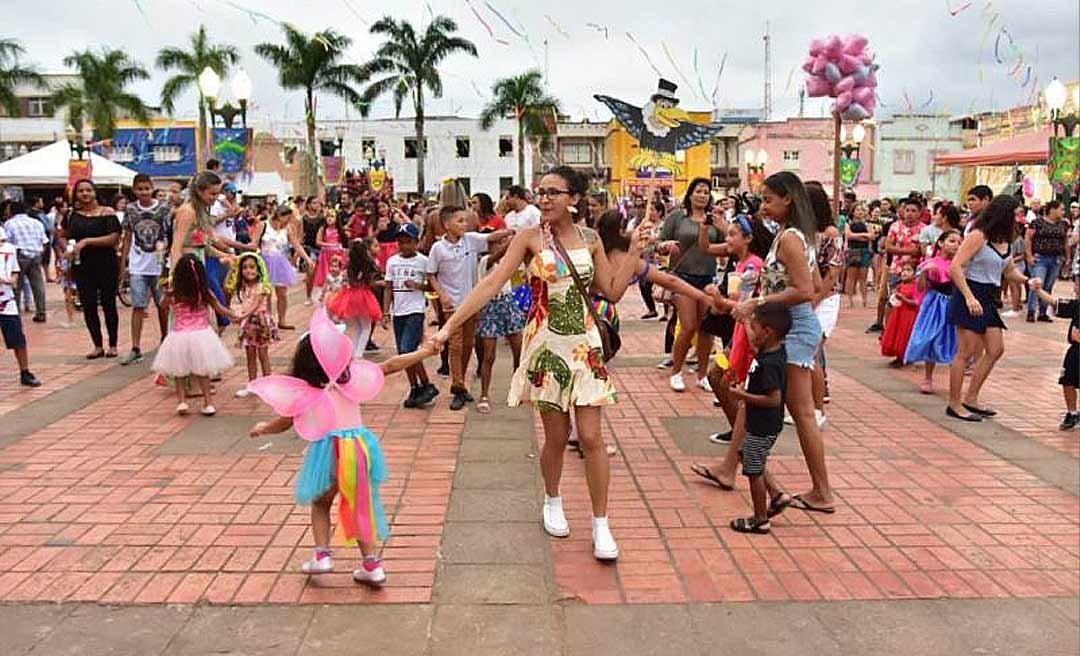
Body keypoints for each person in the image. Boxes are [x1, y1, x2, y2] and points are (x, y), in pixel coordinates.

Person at [430, 166, 643, 561]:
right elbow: (491, 284)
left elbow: (611, 291)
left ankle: (601, 524)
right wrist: (450, 328)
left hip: (584, 348)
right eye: (540, 192)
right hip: (546, 348)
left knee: (593, 438)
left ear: (574, 200)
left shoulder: (592, 239)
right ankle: (552, 498)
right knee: (558, 438)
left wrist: (635, 253)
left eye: (553, 192)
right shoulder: (528, 239)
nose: (544, 198)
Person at [248, 308, 435, 581]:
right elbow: (392, 365)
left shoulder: (305, 391)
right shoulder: (351, 380)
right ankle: (372, 565)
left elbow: (285, 421)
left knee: (321, 503)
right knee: (359, 505)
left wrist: (263, 429)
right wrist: (425, 352)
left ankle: (322, 556)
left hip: (326, 452)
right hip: (357, 449)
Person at [731, 171, 834, 514]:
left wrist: (761, 304)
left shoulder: (790, 238)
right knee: (781, 406)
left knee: (802, 412)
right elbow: (815, 284)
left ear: (787, 199)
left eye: (769, 200)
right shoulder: (798, 237)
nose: (764, 207)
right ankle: (737, 466)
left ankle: (822, 491)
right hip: (793, 325)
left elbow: (806, 290)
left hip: (795, 329)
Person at [947, 195, 1030, 422]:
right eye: (1016, 213)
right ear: (1004, 213)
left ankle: (971, 397)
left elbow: (1009, 270)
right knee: (965, 352)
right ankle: (954, 404)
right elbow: (955, 267)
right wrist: (969, 297)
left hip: (988, 297)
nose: (1019, 218)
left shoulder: (1006, 240)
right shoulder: (978, 236)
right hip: (970, 293)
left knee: (995, 349)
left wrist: (1027, 281)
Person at [426, 206, 511, 411]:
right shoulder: (438, 249)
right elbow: (431, 275)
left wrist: (512, 231)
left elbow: (492, 237)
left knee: (468, 344)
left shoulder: (471, 240)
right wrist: (442, 295)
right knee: (455, 345)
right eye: (460, 221)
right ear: (447, 225)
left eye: (465, 220)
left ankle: (460, 383)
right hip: (452, 305)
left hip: (472, 302)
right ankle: (457, 387)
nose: (465, 224)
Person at [726, 302, 793, 534]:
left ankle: (760, 518)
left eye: (754, 328)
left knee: (754, 471)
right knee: (747, 455)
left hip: (764, 424)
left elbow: (773, 399)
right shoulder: (770, 351)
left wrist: (741, 394)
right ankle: (776, 495)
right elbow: (753, 347)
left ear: (767, 332)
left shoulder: (770, 363)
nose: (751, 334)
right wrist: (745, 320)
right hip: (761, 423)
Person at [658, 178, 723, 392]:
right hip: (682, 277)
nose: (702, 195)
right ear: (690, 194)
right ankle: (676, 371)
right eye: (699, 191)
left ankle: (702, 374)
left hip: (708, 279)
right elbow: (659, 244)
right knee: (688, 326)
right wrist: (666, 246)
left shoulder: (713, 220)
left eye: (706, 192)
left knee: (707, 328)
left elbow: (728, 242)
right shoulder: (677, 217)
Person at [152, 254, 238, 415]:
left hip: (179, 335)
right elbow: (220, 309)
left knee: (179, 371)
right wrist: (236, 316)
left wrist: (166, 292)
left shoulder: (175, 293)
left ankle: (182, 401)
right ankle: (208, 402)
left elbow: (162, 306)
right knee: (202, 371)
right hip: (201, 335)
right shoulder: (204, 293)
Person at [63, 179, 122, 358]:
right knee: (88, 305)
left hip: (106, 264)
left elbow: (114, 238)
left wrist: (87, 242)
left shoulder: (107, 213)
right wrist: (68, 250)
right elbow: (62, 235)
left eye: (88, 190)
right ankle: (97, 345)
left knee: (108, 304)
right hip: (82, 266)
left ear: (95, 192)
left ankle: (113, 344)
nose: (85, 194)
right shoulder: (72, 215)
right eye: (81, 191)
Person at [384, 223, 439, 408]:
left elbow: (433, 286)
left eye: (408, 242)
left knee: (408, 350)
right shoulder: (392, 262)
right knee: (402, 353)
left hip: (415, 310)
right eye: (400, 242)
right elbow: (388, 287)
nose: (404, 246)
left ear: (416, 242)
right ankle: (414, 386)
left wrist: (418, 286)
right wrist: (385, 311)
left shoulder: (423, 261)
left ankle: (426, 384)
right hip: (398, 311)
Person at [119, 174, 171, 365]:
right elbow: (127, 236)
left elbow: (169, 234)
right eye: (140, 189)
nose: (144, 192)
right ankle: (135, 347)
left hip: (159, 264)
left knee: (163, 306)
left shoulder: (163, 208)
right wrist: (124, 263)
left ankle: (166, 340)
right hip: (138, 265)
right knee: (138, 306)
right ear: (134, 190)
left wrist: (168, 258)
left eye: (147, 188)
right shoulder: (131, 210)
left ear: (152, 188)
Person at [905, 230, 962, 394]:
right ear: (941, 243)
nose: (956, 245)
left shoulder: (961, 263)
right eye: (952, 241)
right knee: (931, 338)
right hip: (935, 303)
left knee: (956, 340)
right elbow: (921, 288)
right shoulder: (931, 262)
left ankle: (955, 381)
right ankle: (928, 378)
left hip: (954, 303)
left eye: (959, 242)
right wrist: (924, 272)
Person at [474, 237, 526, 414]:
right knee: (489, 355)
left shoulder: (508, 261)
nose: (498, 246)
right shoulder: (484, 262)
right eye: (495, 243)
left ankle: (515, 390)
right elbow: (497, 255)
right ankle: (484, 394)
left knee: (519, 351)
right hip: (490, 306)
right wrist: (514, 240)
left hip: (508, 303)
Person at [1027, 279, 1079, 430]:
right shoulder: (1076, 305)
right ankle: (1072, 412)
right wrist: (1038, 291)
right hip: (1075, 352)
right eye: (1076, 283)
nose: (1076, 287)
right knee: (1067, 381)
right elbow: (1056, 303)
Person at [252, 205, 312, 330]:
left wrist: (307, 258)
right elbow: (254, 242)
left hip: (281, 261)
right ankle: (267, 319)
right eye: (287, 218)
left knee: (282, 293)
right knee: (266, 293)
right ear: (279, 216)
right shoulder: (264, 225)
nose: (288, 221)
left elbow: (296, 245)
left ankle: (282, 319)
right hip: (265, 261)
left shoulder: (288, 229)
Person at [226, 253, 277, 397]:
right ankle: (252, 384)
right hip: (248, 323)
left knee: (263, 355)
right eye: (244, 268)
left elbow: (255, 306)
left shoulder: (262, 287)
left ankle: (268, 384)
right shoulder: (241, 287)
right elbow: (226, 286)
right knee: (250, 355)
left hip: (260, 323)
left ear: (259, 269)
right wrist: (232, 268)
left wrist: (240, 316)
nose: (249, 271)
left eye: (252, 267)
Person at [327, 240, 383, 360]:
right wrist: (381, 283)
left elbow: (345, 282)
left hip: (348, 297)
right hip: (363, 297)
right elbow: (370, 283)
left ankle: (349, 353)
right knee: (366, 327)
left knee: (352, 327)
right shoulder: (367, 266)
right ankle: (358, 354)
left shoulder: (349, 267)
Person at [0, 226, 41, 386]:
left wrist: (13, 279)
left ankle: (25, 371)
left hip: (6, 300)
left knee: (17, 337)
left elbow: (15, 270)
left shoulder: (9, 250)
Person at [1024, 200, 1069, 322]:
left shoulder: (1063, 224)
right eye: (1061, 209)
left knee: (1048, 286)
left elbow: (1065, 241)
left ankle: (1043, 312)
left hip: (1056, 258)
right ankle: (1031, 311)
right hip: (1040, 258)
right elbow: (1028, 238)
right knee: (1037, 283)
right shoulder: (1037, 222)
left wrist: (1067, 257)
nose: (1063, 212)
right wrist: (1029, 256)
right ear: (1052, 210)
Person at [3, 201, 48, 323]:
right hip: (36, 256)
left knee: (16, 285)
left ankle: (15, 312)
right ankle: (41, 312)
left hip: (19, 256)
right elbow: (44, 241)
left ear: (12, 210)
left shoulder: (9, 224)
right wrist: (39, 253)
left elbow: (7, 243)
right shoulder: (36, 222)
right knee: (38, 285)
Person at [880, 262, 919, 367]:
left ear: (915, 273)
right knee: (897, 335)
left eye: (908, 270)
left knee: (905, 336)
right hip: (898, 314)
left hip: (909, 315)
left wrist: (903, 299)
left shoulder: (916, 286)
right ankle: (898, 357)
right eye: (903, 270)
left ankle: (905, 357)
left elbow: (916, 302)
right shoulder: (900, 286)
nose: (905, 273)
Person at [843, 202, 873, 308]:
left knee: (863, 277)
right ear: (853, 211)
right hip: (853, 250)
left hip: (864, 250)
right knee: (851, 277)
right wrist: (863, 236)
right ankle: (850, 300)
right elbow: (849, 235)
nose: (860, 212)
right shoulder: (848, 223)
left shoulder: (868, 224)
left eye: (862, 210)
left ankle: (864, 300)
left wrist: (860, 236)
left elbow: (871, 236)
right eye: (858, 210)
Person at [314, 209, 347, 291]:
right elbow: (318, 242)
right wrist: (330, 245)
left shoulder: (339, 230)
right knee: (327, 274)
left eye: (332, 216)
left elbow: (344, 242)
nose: (329, 218)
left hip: (338, 254)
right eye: (328, 216)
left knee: (338, 275)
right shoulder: (323, 229)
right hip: (326, 255)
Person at [300, 197, 325, 304]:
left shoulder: (322, 218)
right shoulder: (304, 218)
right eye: (314, 203)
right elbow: (301, 235)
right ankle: (308, 296)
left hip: (321, 248)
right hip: (309, 248)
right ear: (309, 205)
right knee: (310, 272)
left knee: (322, 273)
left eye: (318, 203)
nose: (316, 205)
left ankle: (322, 295)